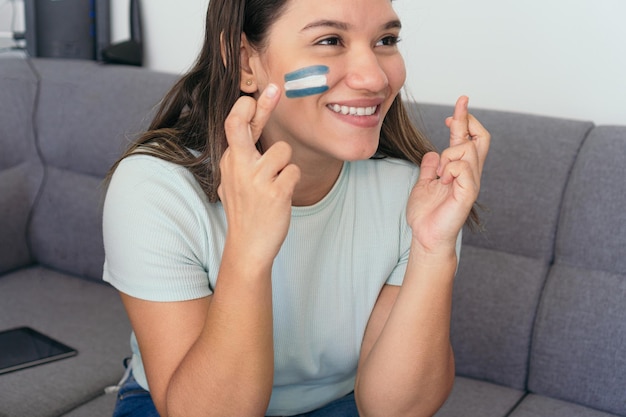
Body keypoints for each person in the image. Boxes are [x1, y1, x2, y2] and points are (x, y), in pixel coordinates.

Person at [102, 0, 491, 416]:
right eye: (329, 40)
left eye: (385, 40)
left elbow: (394, 410)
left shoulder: (415, 192)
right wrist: (249, 249)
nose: (375, 77)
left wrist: (433, 250)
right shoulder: (156, 189)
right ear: (246, 62)